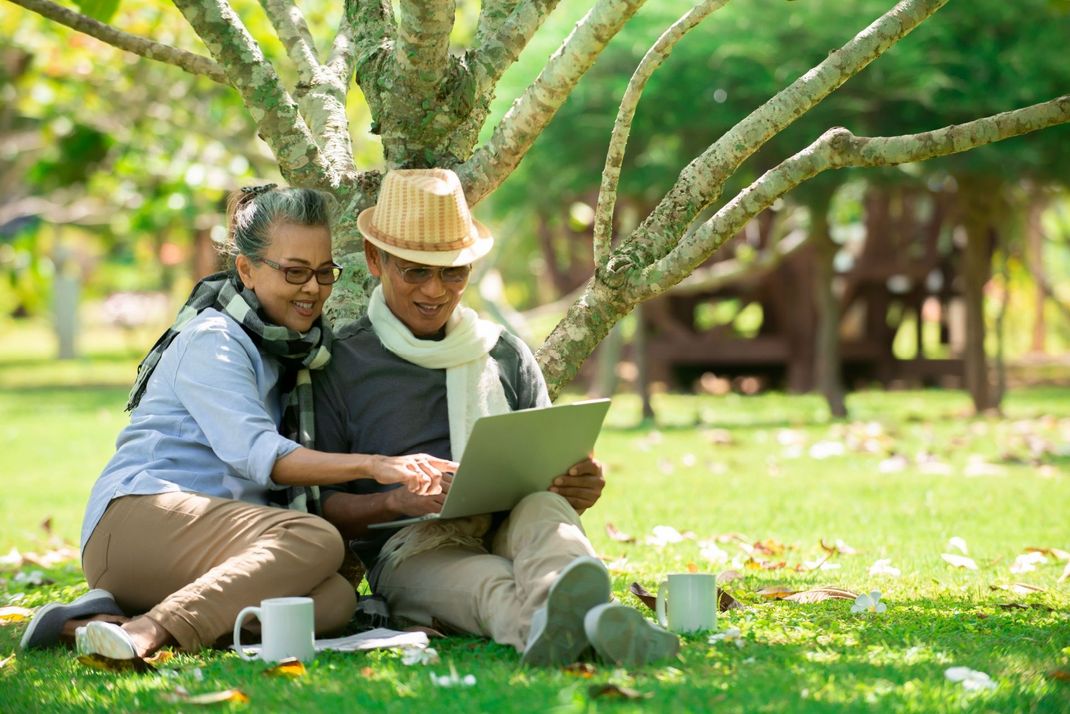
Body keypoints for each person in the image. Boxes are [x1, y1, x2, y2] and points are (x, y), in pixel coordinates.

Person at [20, 185, 449, 660]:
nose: (312, 289)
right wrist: (376, 465)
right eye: (295, 272)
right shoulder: (213, 339)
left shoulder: (293, 351)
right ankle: (151, 628)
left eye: (323, 273)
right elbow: (261, 455)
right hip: (137, 522)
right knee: (313, 538)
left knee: (333, 600)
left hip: (215, 545)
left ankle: (92, 624)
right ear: (245, 269)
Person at [314, 168, 679, 667]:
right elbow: (320, 507)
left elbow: (544, 457)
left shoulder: (502, 353)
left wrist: (580, 484)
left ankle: (576, 621)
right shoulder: (342, 364)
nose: (435, 291)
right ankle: (593, 625)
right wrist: (397, 500)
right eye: (415, 271)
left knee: (550, 516)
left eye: (452, 272)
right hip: (414, 548)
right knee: (490, 588)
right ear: (376, 260)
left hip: (513, 524)